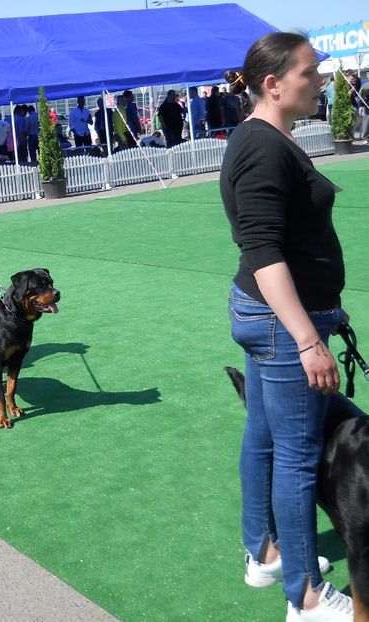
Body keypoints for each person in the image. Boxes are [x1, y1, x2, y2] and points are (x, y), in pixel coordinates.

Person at [220, 33, 352, 622]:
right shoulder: (262, 147)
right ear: (273, 85)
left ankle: (265, 553)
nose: (321, 80)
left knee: (265, 438)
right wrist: (307, 338)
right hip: (280, 323)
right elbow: (263, 251)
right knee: (297, 458)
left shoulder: (266, 138)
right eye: (310, 72)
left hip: (275, 316)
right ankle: (305, 596)